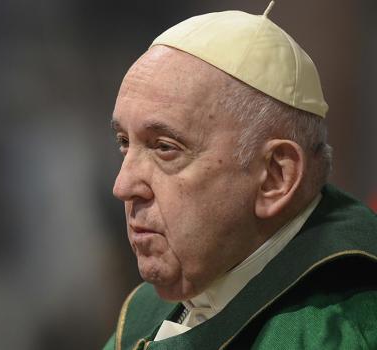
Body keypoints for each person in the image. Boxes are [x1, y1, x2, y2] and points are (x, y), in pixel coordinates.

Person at [103, 3, 377, 350]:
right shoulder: (148, 311)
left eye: (165, 147)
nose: (122, 186)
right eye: (125, 143)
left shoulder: (337, 330)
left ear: (275, 178)